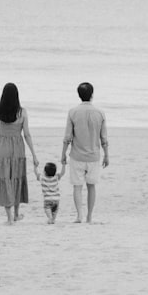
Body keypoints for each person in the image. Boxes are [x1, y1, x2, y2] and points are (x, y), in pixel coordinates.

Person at [0, 83, 39, 224]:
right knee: (16, 179)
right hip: (17, 148)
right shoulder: (22, 112)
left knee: (5, 179)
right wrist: (34, 154)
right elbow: (27, 134)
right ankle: (16, 214)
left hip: (1, 147)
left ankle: (9, 217)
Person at [61, 82, 109, 223]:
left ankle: (79, 216)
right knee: (91, 186)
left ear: (79, 95)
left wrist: (63, 153)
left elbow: (67, 137)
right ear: (92, 95)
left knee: (77, 186)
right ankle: (89, 216)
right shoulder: (100, 113)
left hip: (77, 155)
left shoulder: (73, 112)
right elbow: (104, 138)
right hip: (93, 156)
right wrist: (106, 154)